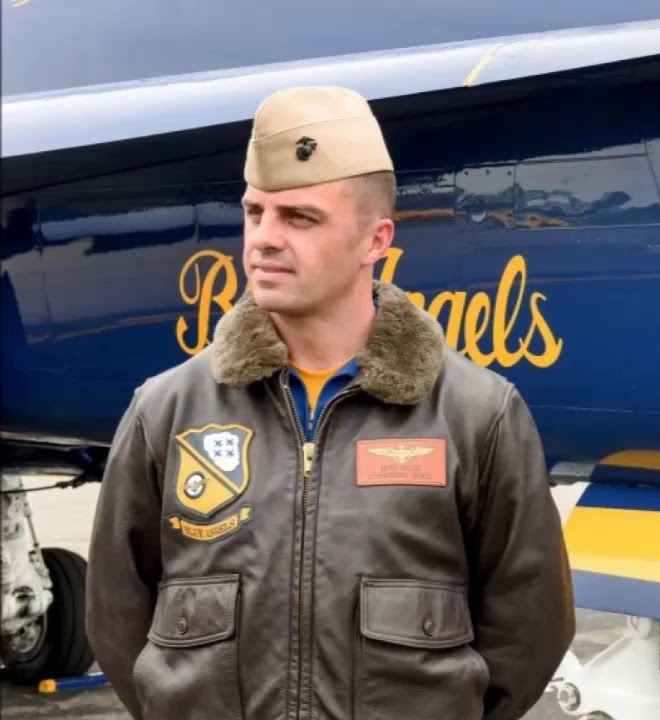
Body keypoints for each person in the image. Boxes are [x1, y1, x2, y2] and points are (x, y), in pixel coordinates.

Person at [85, 85, 575, 720]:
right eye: (255, 212)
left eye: (301, 218)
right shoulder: (168, 411)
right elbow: (119, 620)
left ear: (376, 241)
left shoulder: (476, 415)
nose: (264, 239)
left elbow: (529, 629)